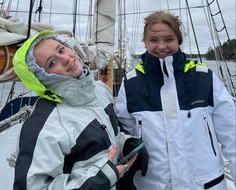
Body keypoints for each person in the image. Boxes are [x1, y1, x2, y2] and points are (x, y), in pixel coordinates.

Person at [12, 30, 148, 190]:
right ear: (42, 77)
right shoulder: (43, 125)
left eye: (61, 49)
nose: (65, 59)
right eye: (52, 63)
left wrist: (125, 143)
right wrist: (102, 179)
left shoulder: (100, 90)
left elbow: (111, 134)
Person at [116, 11, 236, 190]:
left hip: (205, 183)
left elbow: (231, 133)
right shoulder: (131, 84)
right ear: (145, 41)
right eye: (154, 40)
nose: (161, 46)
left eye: (169, 39)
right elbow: (123, 139)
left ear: (179, 40)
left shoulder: (204, 79)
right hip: (151, 184)